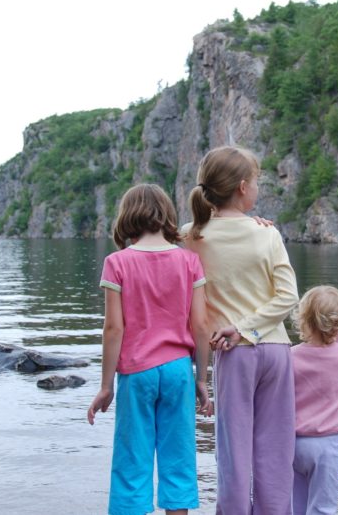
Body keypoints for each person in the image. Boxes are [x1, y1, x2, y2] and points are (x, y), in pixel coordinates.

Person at [182, 145, 299, 515]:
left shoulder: (190, 236)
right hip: (277, 350)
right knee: (276, 450)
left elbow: (151, 245)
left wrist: (236, 330)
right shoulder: (267, 234)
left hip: (232, 353)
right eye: (258, 182)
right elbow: (288, 297)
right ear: (244, 187)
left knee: (234, 452)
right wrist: (249, 327)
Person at [87, 183, 212, 515]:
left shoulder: (118, 263)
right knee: (179, 459)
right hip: (178, 371)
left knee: (132, 462)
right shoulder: (189, 262)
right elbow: (201, 326)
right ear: (166, 215)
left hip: (137, 373)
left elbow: (114, 329)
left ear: (128, 218)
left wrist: (105, 386)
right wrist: (201, 379)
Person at [290, 285, 338, 515]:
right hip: (327, 444)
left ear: (303, 319)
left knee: (295, 506)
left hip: (292, 443)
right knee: (323, 507)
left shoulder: (289, 357)